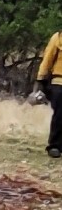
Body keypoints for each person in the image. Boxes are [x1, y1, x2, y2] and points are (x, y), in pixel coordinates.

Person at [36, 26, 62, 158]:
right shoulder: (57, 38)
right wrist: (40, 79)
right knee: (60, 115)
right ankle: (54, 146)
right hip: (59, 82)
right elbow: (47, 59)